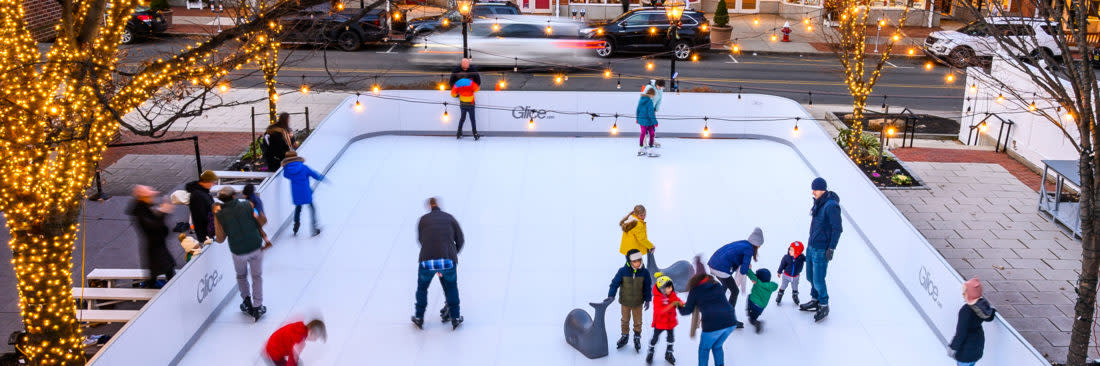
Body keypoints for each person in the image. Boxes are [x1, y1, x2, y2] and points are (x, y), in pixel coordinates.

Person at [214, 186, 268, 321]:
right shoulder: (248, 205)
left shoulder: (219, 214)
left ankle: (247, 301)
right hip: (255, 246)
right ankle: (258, 305)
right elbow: (262, 220)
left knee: (241, 276)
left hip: (238, 251)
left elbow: (220, 238)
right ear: (234, 196)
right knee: (257, 276)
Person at [412, 197, 466, 330]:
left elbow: (421, 240)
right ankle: (455, 317)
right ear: (439, 206)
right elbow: (460, 239)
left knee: (422, 288)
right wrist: (452, 255)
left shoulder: (423, 220)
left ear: (429, 207)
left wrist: (431, 256)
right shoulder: (450, 218)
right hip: (447, 260)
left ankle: (419, 317)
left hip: (427, 261)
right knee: (451, 286)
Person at [799, 177, 842, 322]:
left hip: (822, 249)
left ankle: (824, 304)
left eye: (815, 189)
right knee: (810, 276)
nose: (813, 192)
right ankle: (815, 299)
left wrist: (831, 248)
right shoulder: (819, 202)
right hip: (812, 246)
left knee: (818, 279)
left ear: (823, 189)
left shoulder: (831, 206)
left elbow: (837, 229)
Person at [705, 227, 764, 328]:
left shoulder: (743, 243)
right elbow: (743, 270)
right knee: (735, 291)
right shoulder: (749, 249)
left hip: (713, 262)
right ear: (758, 245)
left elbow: (734, 256)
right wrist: (747, 266)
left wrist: (744, 264)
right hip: (720, 269)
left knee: (725, 285)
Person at [679, 273, 737, 366]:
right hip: (731, 321)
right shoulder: (717, 285)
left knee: (704, 349)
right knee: (717, 346)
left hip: (712, 324)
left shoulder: (695, 290)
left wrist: (679, 305)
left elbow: (686, 311)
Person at [128, 185, 177, 289]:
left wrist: (161, 211)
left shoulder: (144, 206)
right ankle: (165, 287)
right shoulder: (140, 211)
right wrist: (163, 212)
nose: (152, 197)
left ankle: (155, 284)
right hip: (154, 245)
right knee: (164, 267)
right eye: (150, 195)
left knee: (161, 268)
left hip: (156, 243)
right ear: (143, 197)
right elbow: (154, 226)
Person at [607, 248, 652, 352]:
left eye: (639, 260)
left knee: (638, 322)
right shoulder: (622, 271)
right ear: (629, 261)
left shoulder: (645, 272)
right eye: (634, 261)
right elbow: (614, 284)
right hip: (625, 302)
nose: (637, 263)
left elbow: (647, 287)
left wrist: (648, 300)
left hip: (638, 303)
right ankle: (625, 335)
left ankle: (637, 337)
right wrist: (611, 296)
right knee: (625, 320)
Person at [949, 278, 997, 366]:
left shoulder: (965, 311)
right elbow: (989, 317)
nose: (962, 294)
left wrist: (953, 347)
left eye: (964, 292)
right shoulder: (982, 305)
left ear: (968, 295)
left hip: (966, 351)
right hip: (977, 346)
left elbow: (961, 333)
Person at [281, 151, 324, 237]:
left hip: (296, 193)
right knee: (312, 208)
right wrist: (322, 178)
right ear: (296, 157)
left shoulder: (287, 170)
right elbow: (314, 174)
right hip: (306, 191)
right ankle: (314, 228)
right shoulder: (303, 167)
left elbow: (285, 175)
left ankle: (296, 225)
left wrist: (285, 166)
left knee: (298, 208)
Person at [648, 272, 682, 364]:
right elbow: (660, 311)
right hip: (659, 322)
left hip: (670, 322)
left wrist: (682, 303)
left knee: (671, 338)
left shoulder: (672, 294)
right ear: (662, 289)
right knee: (655, 338)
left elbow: (677, 300)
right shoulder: (657, 298)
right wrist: (672, 305)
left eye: (671, 287)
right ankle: (651, 350)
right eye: (667, 288)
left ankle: (669, 353)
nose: (670, 289)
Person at [185, 170, 218, 242]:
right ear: (206, 181)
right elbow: (202, 216)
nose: (213, 184)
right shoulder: (198, 196)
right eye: (212, 182)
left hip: (207, 229)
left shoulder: (202, 191)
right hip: (205, 232)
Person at [744, 268, 777, 333]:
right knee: (754, 316)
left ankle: (752, 316)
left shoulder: (757, 282)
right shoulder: (771, 285)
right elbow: (776, 285)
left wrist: (748, 268)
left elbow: (751, 275)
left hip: (753, 303)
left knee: (749, 297)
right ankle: (753, 318)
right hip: (761, 307)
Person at [775, 241, 806, 305]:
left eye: (792, 250)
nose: (789, 251)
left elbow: (808, 259)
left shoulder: (801, 257)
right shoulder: (786, 257)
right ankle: (779, 295)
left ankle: (795, 296)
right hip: (786, 276)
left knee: (795, 287)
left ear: (798, 252)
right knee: (783, 286)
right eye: (790, 249)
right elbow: (782, 265)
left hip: (795, 277)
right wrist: (779, 272)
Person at [636, 88, 659, 157]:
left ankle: (640, 149)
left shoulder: (641, 100)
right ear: (651, 95)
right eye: (653, 95)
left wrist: (637, 118)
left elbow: (638, 110)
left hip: (641, 120)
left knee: (643, 133)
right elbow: (651, 113)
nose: (653, 97)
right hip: (649, 122)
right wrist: (655, 122)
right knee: (652, 134)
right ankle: (651, 150)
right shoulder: (650, 102)